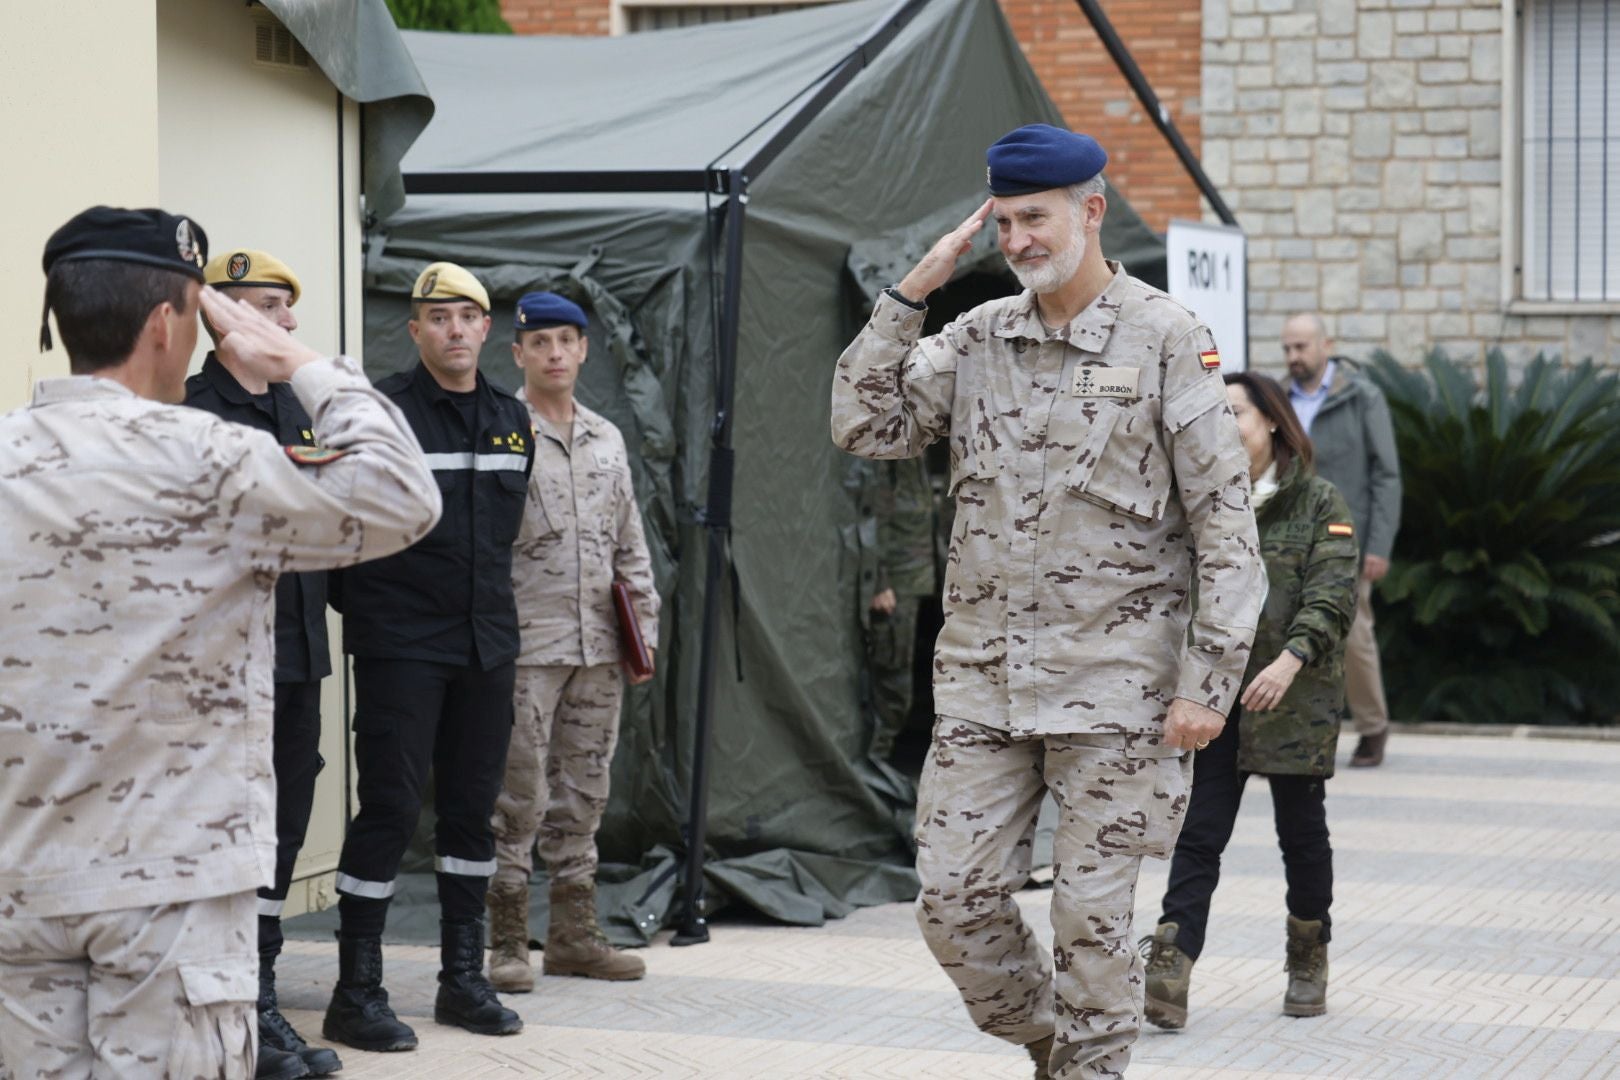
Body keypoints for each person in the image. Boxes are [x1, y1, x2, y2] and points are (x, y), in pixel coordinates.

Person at [829, 124, 1264, 1079]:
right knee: (951, 900)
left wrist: (1208, 683)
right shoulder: (977, 336)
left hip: (1121, 693)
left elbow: (1229, 527)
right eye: (1005, 221)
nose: (1020, 239)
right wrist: (912, 292)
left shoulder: (1165, 338)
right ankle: (1051, 1044)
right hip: (986, 684)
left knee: (1093, 924)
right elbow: (863, 422)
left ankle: (1089, 1066)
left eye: (1038, 217)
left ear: (1090, 210)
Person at [0, 206, 440, 1080]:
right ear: (169, 324)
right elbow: (402, 494)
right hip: (170, 895)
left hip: (21, 882)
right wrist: (301, 362)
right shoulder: (213, 462)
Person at [324, 262, 532, 1051]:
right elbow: (342, 531)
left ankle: (462, 980)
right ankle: (357, 992)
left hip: (488, 646)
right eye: (437, 318)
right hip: (402, 646)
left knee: (473, 815)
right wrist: (385, 621)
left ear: (487, 332)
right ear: (414, 330)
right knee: (387, 810)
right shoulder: (384, 414)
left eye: (466, 317)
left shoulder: (514, 420)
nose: (453, 330)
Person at [1142, 372, 1359, 1030]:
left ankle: (1307, 956)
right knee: (1200, 830)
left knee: (1301, 834)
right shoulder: (1203, 503)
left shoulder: (1320, 502)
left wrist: (1291, 659)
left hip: (1295, 697)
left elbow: (1333, 595)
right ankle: (1171, 963)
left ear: (1270, 420)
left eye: (1233, 411)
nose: (1223, 424)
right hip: (1220, 694)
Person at [184, 248, 342, 1079]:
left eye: (284, 308)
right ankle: (228, 1010)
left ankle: (263, 998)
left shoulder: (297, 406)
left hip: (298, 654)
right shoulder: (190, 408)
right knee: (222, 835)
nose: (282, 323)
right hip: (223, 666)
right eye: (264, 307)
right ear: (224, 317)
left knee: (283, 832)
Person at [486, 291, 660, 991]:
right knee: (517, 793)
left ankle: (573, 935)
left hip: (597, 647)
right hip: (527, 643)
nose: (556, 354)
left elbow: (631, 545)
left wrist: (641, 635)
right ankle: (503, 939)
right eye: (541, 343)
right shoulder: (502, 429)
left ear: (585, 348)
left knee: (586, 788)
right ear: (519, 353)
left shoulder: (606, 438)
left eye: (567, 340)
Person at [1282, 314, 1401, 767]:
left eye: (1301, 347)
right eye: (1288, 349)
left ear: (1325, 345)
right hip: (1292, 540)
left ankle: (1372, 728)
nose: (1294, 357)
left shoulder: (1361, 397)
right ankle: (1290, 734)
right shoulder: (1279, 400)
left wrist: (1379, 545)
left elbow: (1386, 476)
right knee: (1287, 634)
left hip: (1347, 540)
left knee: (1353, 637)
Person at [863, 457, 937, 761]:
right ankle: (874, 768)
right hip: (897, 583)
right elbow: (871, 514)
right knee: (893, 688)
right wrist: (878, 581)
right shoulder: (888, 447)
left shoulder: (919, 448)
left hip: (924, 579)